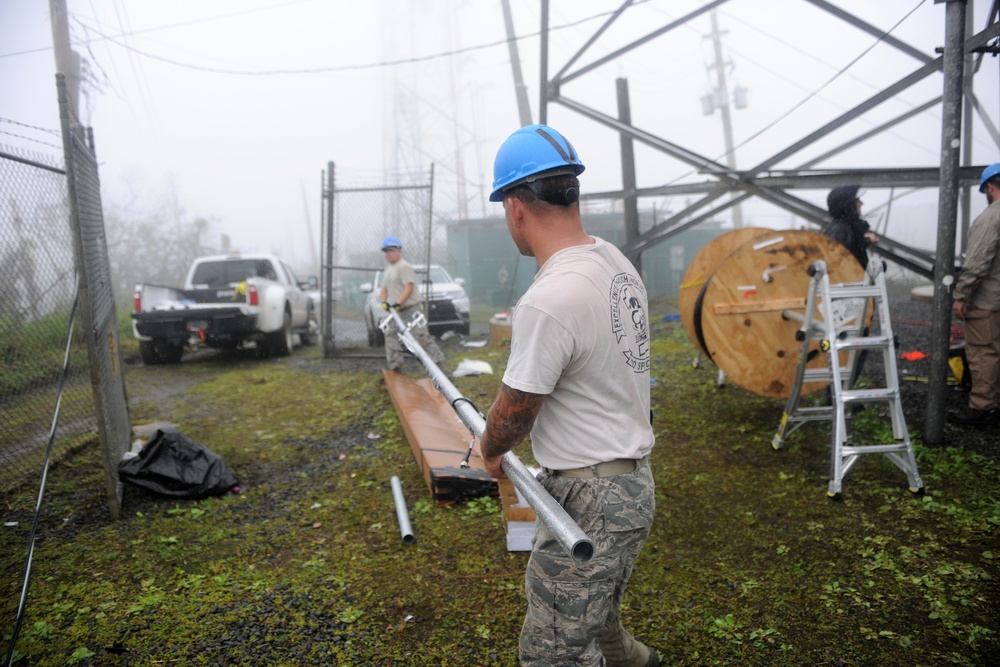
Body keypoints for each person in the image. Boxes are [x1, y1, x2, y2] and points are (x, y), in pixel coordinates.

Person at [477, 124, 659, 667]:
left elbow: (514, 416)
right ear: (571, 192)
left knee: (552, 648)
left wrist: (489, 448)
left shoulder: (550, 296)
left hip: (593, 496)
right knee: (593, 609)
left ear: (515, 207)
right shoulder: (614, 263)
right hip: (629, 482)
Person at [948, 163, 1000, 426]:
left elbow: (978, 261)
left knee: (983, 352)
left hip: (988, 300)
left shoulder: (992, 217)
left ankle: (982, 407)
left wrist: (961, 294)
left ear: (989, 187)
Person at [377, 235, 445, 372]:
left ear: (399, 250)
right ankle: (396, 367)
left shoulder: (404, 267)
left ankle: (441, 368)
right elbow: (384, 288)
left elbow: (409, 287)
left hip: (411, 309)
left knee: (420, 337)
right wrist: (384, 302)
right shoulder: (388, 269)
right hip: (397, 311)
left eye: (392, 250)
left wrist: (398, 303)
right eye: (386, 251)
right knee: (390, 334)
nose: (389, 253)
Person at [822, 184, 878, 270]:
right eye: (857, 200)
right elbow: (844, 264)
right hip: (851, 282)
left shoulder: (844, 228)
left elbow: (850, 248)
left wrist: (866, 240)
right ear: (848, 204)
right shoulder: (840, 231)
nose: (861, 203)